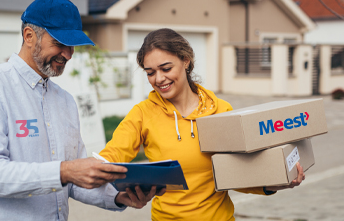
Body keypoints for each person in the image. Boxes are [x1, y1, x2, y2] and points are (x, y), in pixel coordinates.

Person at [0, 0, 161, 221]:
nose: (68, 54)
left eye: (72, 45)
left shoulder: (65, 101)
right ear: (29, 36)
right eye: (59, 43)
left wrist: (117, 196)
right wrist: (64, 171)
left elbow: (74, 181)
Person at [99, 28, 306, 220]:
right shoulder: (142, 114)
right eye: (150, 72)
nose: (159, 79)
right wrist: (90, 169)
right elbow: (112, 155)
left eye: (166, 68)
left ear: (186, 61)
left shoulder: (220, 111)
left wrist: (275, 183)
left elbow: (237, 174)